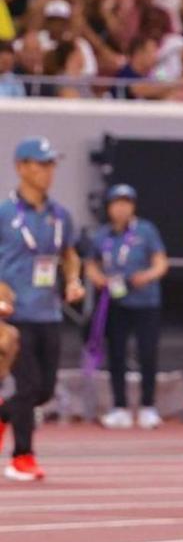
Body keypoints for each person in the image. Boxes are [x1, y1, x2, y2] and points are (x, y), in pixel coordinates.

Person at [0, 136, 84, 480]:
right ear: (21, 167)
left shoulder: (60, 215)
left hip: (48, 312)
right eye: (41, 164)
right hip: (13, 314)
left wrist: (73, 279)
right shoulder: (5, 213)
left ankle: (4, 414)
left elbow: (69, 254)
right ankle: (22, 456)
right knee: (28, 385)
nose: (48, 171)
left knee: (43, 389)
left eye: (51, 164)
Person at [85, 184, 169, 430]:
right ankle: (119, 406)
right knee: (117, 355)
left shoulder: (146, 230)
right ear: (110, 207)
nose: (121, 208)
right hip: (116, 303)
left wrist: (147, 276)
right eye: (117, 203)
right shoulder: (103, 234)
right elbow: (90, 263)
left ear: (133, 206)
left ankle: (148, 406)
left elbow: (160, 263)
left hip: (145, 302)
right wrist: (98, 278)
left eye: (126, 203)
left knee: (147, 353)